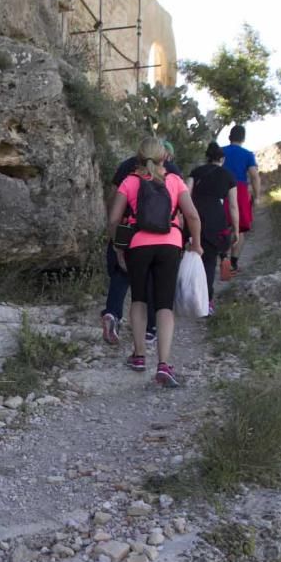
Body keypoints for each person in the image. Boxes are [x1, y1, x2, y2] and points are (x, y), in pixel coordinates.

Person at [109, 137, 202, 387]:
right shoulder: (174, 181)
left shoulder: (129, 181)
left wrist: (119, 250)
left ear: (138, 158)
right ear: (165, 158)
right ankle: (163, 364)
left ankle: (139, 356)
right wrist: (196, 244)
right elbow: (192, 215)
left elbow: (114, 219)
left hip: (138, 245)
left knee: (138, 299)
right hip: (170, 244)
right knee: (164, 305)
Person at [100, 141, 183, 345]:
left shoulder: (126, 168)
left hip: (129, 230)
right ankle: (151, 328)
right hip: (165, 233)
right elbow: (180, 205)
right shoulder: (170, 171)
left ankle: (112, 314)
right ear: (164, 155)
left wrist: (115, 238)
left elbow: (112, 199)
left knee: (121, 274)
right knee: (153, 281)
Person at [187, 142, 239, 315]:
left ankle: (185, 294)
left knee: (190, 257)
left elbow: (186, 194)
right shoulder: (228, 176)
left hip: (194, 216)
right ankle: (206, 302)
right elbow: (233, 206)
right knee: (209, 262)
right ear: (222, 159)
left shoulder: (196, 173)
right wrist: (236, 230)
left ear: (207, 157)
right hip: (216, 220)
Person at [221, 125, 260, 273]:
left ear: (230, 137)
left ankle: (222, 256)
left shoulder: (221, 152)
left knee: (222, 226)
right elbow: (254, 176)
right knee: (240, 228)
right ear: (243, 138)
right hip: (240, 190)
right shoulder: (247, 154)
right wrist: (257, 197)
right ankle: (233, 263)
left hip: (222, 188)